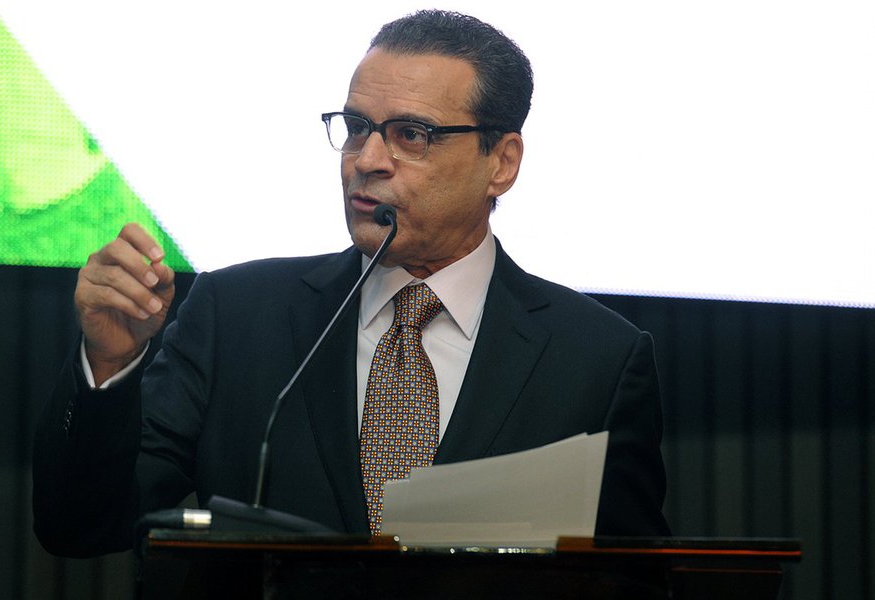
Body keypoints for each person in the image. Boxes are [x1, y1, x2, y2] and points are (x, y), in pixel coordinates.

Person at [33, 9, 670, 558]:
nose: (365, 160)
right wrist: (111, 366)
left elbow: (635, 581)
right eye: (357, 126)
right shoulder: (237, 317)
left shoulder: (597, 361)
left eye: (411, 135)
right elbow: (82, 527)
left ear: (501, 163)